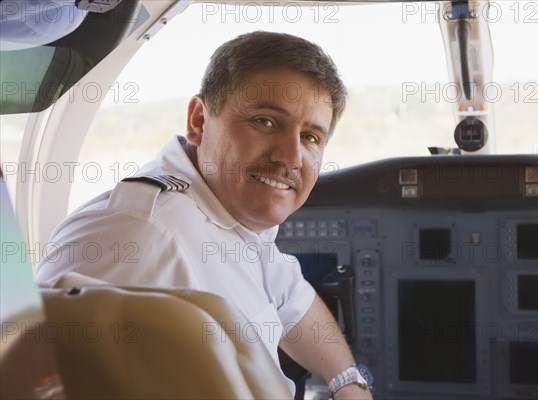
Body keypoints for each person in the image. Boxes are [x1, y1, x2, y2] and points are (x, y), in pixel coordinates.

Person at [35, 31, 372, 399]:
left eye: (310, 137)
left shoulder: (234, 212)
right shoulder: (135, 235)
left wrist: (348, 383)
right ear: (198, 120)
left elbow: (291, 297)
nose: (290, 157)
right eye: (265, 121)